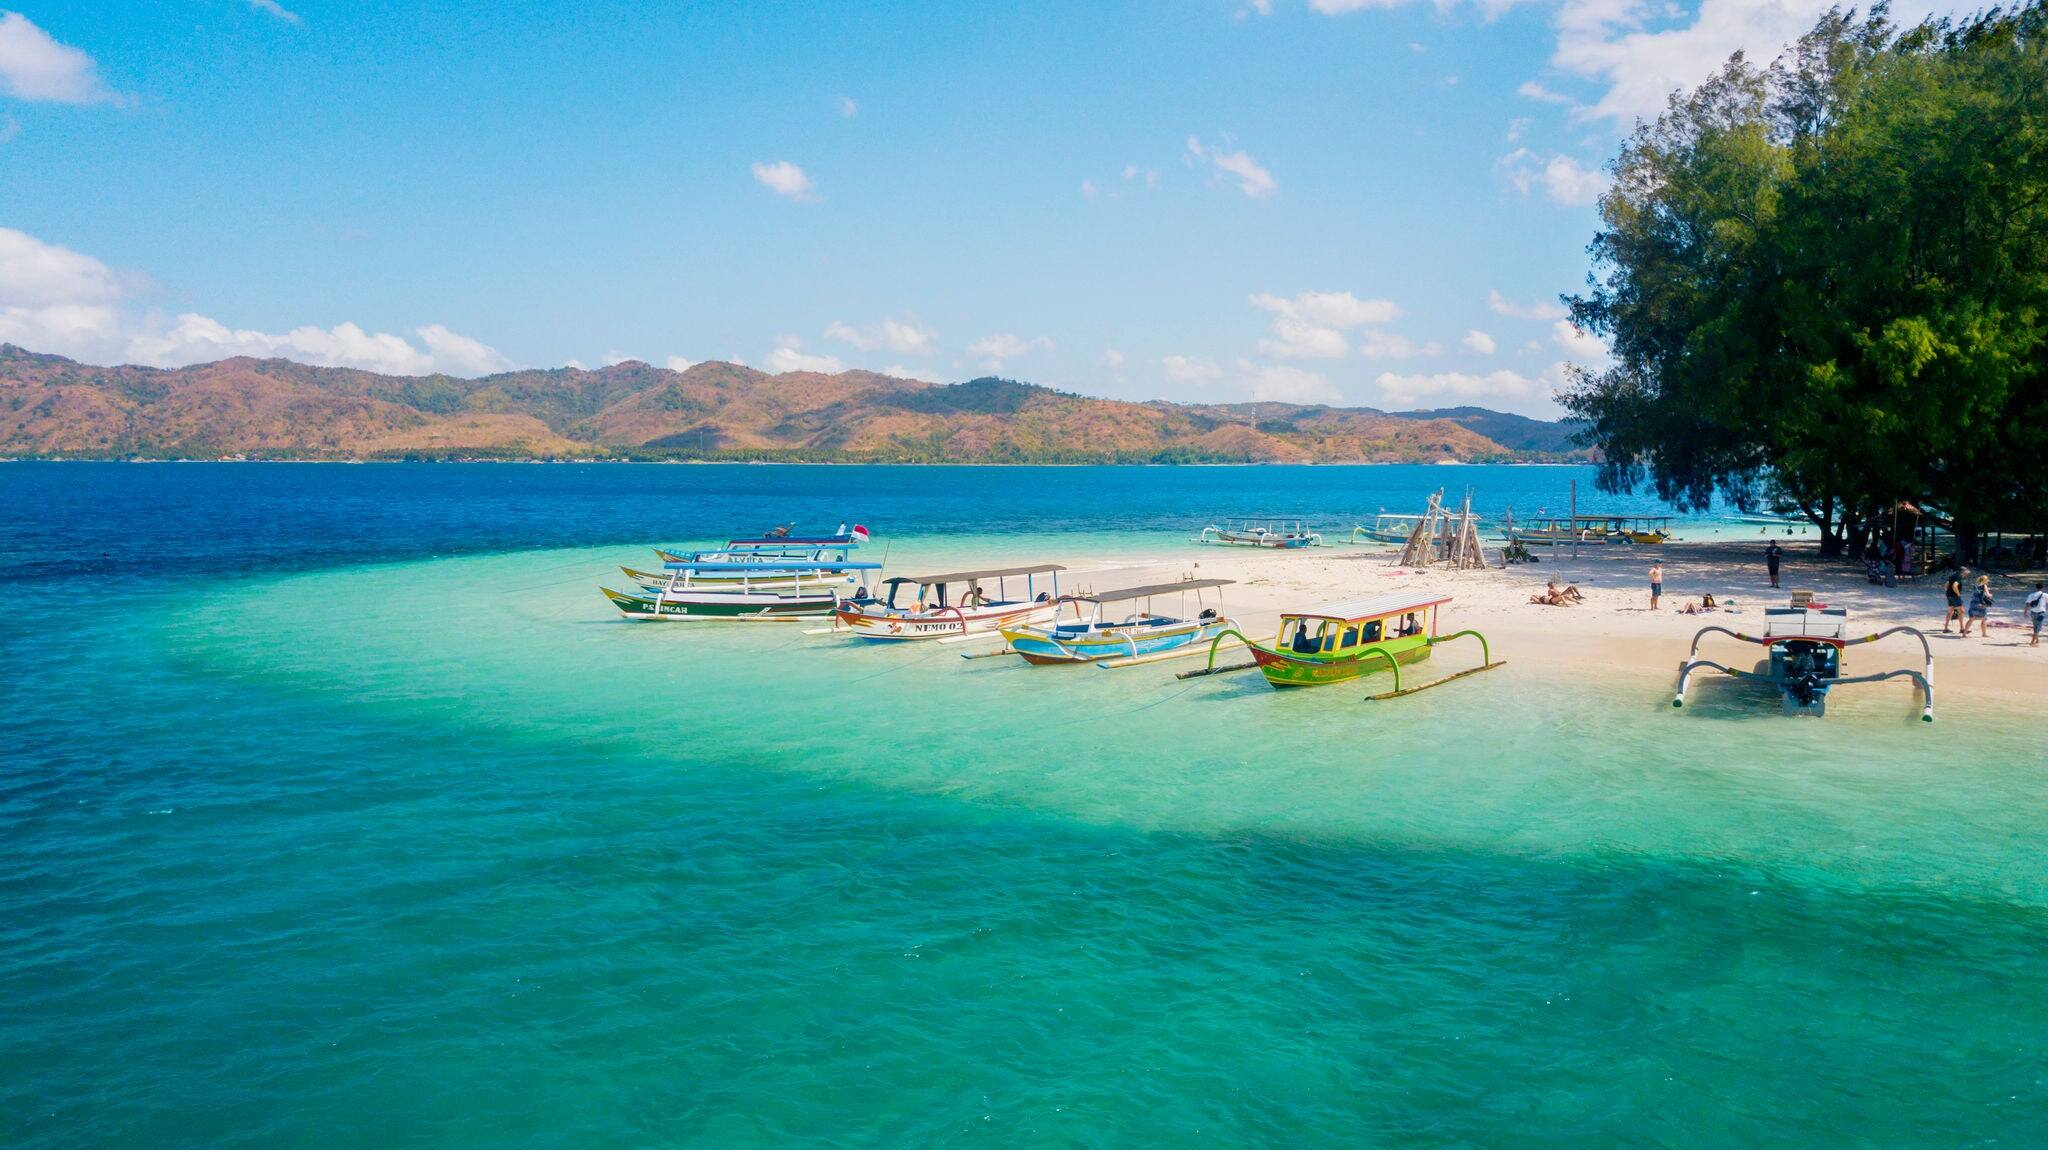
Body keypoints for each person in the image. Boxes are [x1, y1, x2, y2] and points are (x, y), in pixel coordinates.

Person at [2026, 582, 2047, 648]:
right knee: (2038, 627)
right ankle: (2032, 641)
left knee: (2035, 626)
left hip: (2033, 612)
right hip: (2041, 612)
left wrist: (2025, 612)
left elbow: (2027, 604)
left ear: (2036, 587)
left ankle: (2037, 640)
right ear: (2042, 588)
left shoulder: (2031, 595)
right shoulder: (2045, 595)